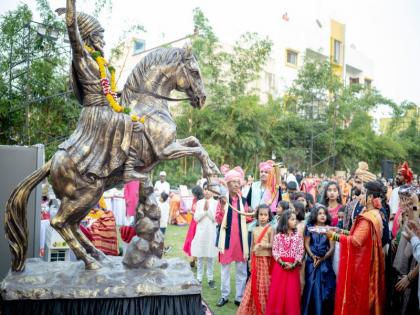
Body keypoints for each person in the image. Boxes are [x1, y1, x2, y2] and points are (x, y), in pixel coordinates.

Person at [56, 3, 146, 183]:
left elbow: (105, 90)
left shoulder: (101, 63)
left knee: (134, 119)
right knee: (136, 125)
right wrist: (71, 8)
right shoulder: (83, 57)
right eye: (99, 36)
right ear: (88, 36)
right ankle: (128, 170)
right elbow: (74, 34)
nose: (103, 41)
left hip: (106, 109)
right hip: (95, 112)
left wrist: (119, 94)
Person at [326, 180, 385, 315]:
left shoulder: (368, 217)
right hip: (368, 263)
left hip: (362, 267)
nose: (359, 196)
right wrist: (341, 232)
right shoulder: (375, 214)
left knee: (357, 300)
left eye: (363, 193)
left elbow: (356, 241)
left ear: (370, 198)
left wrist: (333, 236)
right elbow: (359, 236)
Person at [216, 166, 249, 307]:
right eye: (233, 182)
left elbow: (247, 218)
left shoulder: (244, 200)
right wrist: (223, 207)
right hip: (227, 241)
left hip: (241, 242)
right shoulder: (223, 200)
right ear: (228, 184)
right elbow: (218, 219)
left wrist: (252, 214)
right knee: (225, 270)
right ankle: (224, 296)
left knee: (242, 270)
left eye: (238, 182)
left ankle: (239, 297)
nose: (236, 184)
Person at [237, 204, 273, 315]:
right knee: (254, 282)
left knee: (265, 283)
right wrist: (250, 259)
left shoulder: (271, 229)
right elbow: (252, 245)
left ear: (269, 216)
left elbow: (272, 245)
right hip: (255, 259)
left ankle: (264, 308)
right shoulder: (254, 229)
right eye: (261, 214)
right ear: (257, 216)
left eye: (265, 215)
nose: (263, 217)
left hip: (266, 260)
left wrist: (262, 245)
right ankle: (251, 307)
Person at [266, 210, 304, 315]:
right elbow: (275, 250)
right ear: (285, 221)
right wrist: (282, 263)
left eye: (295, 219)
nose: (295, 221)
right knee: (278, 292)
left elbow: (300, 251)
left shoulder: (298, 237)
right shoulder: (278, 236)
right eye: (292, 219)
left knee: (291, 293)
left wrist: (294, 264)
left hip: (293, 268)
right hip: (280, 268)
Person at [302, 204, 336, 315]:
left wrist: (323, 258)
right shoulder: (309, 228)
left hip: (324, 262)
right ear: (315, 215)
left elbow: (332, 248)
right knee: (311, 287)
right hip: (312, 262)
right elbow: (306, 244)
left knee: (324, 290)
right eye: (320, 213)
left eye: (324, 214)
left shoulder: (329, 229)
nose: (322, 216)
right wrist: (312, 256)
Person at [190, 183, 218, 289]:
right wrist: (204, 211)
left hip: (211, 232)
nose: (206, 191)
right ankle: (199, 278)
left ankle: (210, 279)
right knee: (200, 255)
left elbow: (215, 218)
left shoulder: (216, 203)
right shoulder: (199, 202)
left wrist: (208, 210)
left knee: (210, 257)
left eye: (209, 189)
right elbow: (196, 218)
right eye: (205, 189)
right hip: (201, 232)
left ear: (213, 191)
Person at [183, 185, 204, 267]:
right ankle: (192, 258)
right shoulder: (194, 200)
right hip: (193, 222)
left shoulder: (202, 201)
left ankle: (195, 259)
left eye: (194, 194)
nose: (193, 195)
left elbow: (201, 214)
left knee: (197, 240)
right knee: (190, 240)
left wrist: (191, 212)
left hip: (199, 222)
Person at [391, 162, 414, 236]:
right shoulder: (395, 190)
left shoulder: (410, 192)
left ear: (406, 178)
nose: (397, 176)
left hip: (402, 227)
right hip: (392, 226)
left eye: (400, 175)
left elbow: (415, 209)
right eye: (397, 174)